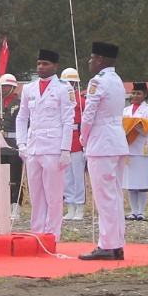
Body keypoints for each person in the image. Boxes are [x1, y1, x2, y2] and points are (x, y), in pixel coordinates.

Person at [15, 48, 74, 242]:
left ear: (56, 66)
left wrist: (65, 150)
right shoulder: (29, 88)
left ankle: (52, 235)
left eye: (45, 64)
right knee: (36, 194)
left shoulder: (63, 89)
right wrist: (21, 143)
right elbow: (22, 117)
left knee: (54, 195)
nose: (41, 67)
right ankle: (37, 233)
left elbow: (68, 120)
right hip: (33, 147)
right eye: (39, 63)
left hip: (53, 148)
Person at [79, 42, 129, 260]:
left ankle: (107, 244)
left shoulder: (97, 81)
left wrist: (83, 137)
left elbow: (88, 114)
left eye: (92, 58)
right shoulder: (117, 81)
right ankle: (116, 243)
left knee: (104, 196)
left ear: (100, 60)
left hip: (101, 141)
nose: (89, 62)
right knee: (115, 194)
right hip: (117, 139)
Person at [123, 82, 148, 220]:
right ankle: (133, 210)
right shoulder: (126, 110)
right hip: (129, 148)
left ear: (145, 95)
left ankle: (142, 211)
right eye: (134, 93)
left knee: (142, 182)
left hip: (142, 149)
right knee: (131, 183)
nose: (135, 96)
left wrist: (133, 124)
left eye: (138, 93)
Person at [60, 67, 87, 221]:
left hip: (77, 139)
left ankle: (80, 206)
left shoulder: (82, 101)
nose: (69, 85)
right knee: (66, 176)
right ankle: (69, 205)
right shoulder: (59, 98)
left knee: (78, 175)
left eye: (72, 83)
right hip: (64, 138)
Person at [0, 73, 24, 226]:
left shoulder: (18, 103)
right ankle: (3, 205)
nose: (3, 88)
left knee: (15, 177)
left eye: (6, 86)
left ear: (13, 87)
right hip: (1, 144)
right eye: (1, 86)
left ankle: (16, 205)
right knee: (1, 177)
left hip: (14, 144)